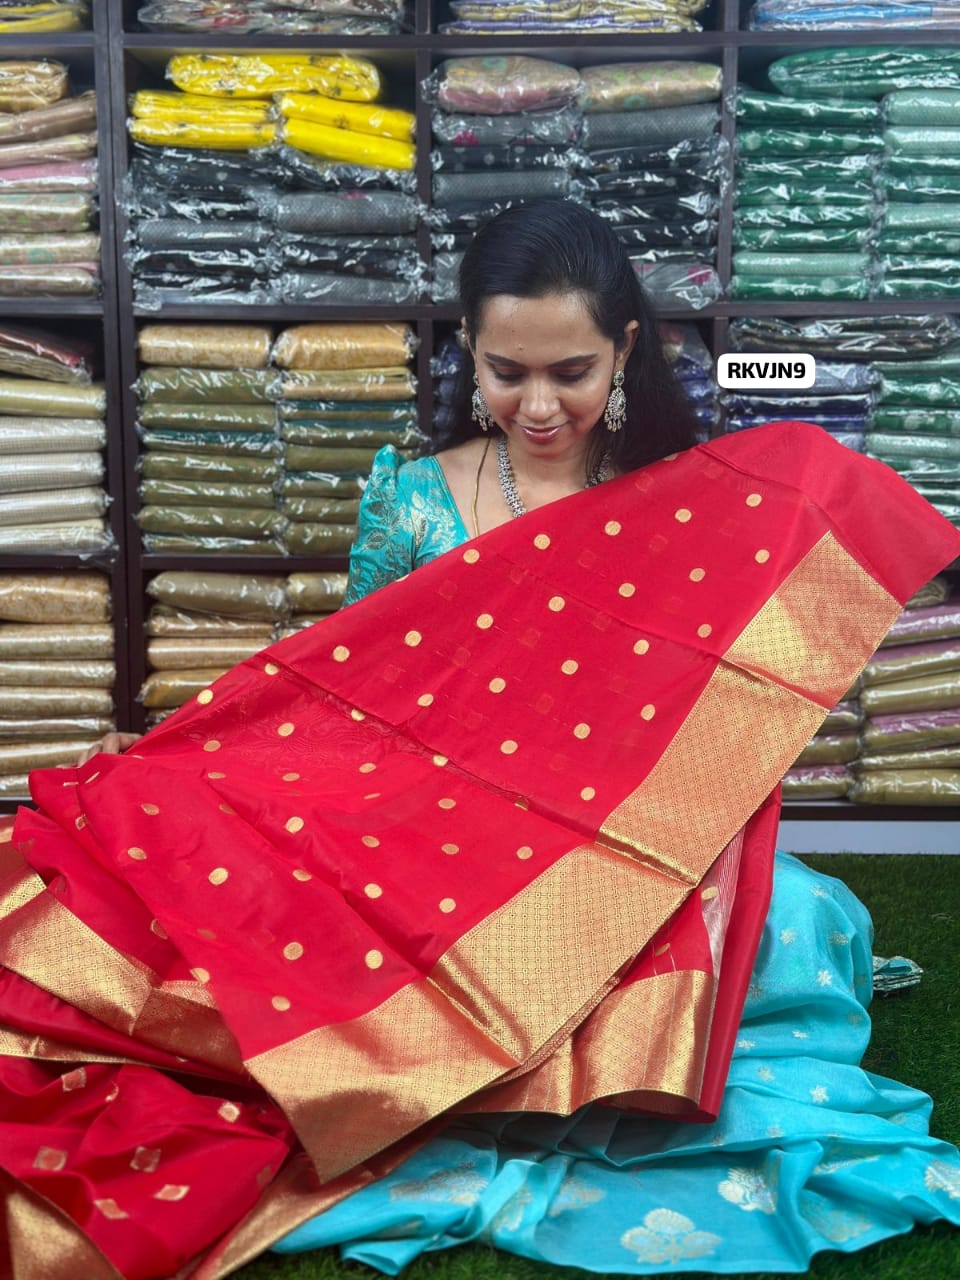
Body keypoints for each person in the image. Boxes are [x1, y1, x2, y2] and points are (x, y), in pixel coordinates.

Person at [2, 199, 959, 1280]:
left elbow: (716, 699)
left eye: (572, 372)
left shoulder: (679, 504)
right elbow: (346, 690)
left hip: (612, 823)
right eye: (508, 372)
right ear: (468, 347)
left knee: (795, 918)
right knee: (192, 873)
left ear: (625, 349)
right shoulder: (416, 499)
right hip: (421, 816)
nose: (539, 406)